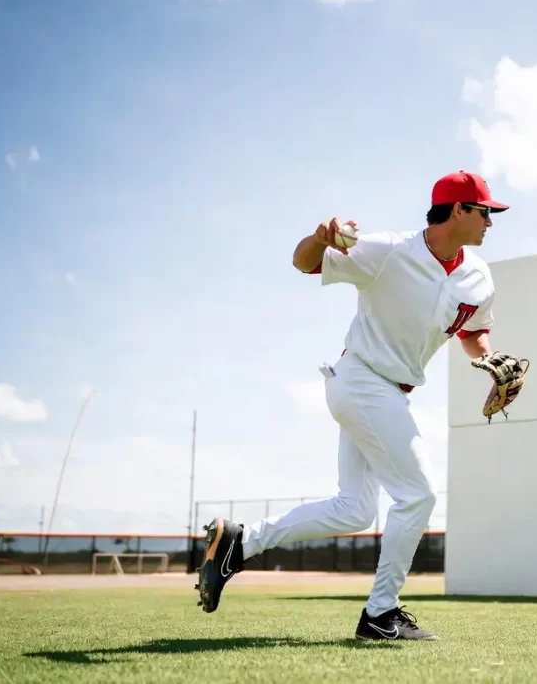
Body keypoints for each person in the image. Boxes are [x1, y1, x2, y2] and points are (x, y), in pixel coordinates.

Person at [194, 170, 510, 641]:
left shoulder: (478, 275)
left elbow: (473, 334)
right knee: (418, 494)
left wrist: (489, 359)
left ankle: (239, 543)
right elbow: (305, 264)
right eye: (485, 212)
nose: (491, 222)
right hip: (363, 380)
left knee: (355, 510)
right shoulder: (388, 250)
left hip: (384, 391)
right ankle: (381, 615)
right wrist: (319, 237)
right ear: (459, 210)